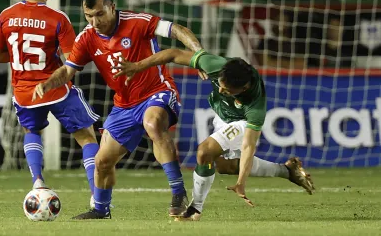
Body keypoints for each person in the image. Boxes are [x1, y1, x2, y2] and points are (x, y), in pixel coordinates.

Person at [32, 0, 207, 219]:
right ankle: (101, 210)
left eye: (100, 14)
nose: (95, 21)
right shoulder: (86, 38)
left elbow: (178, 30)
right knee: (102, 161)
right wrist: (47, 83)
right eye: (89, 16)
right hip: (124, 105)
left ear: (112, 7)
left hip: (157, 91)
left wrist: (200, 55)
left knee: (153, 123)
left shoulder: (138, 21)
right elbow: (67, 71)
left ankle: (178, 192)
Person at [113, 48, 315, 221]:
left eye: (227, 91)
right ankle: (288, 171)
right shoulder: (217, 65)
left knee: (204, 152)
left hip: (242, 121)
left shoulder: (255, 107)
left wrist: (241, 183)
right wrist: (138, 65)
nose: (221, 89)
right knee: (223, 166)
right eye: (220, 84)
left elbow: (248, 146)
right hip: (222, 117)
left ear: (243, 88)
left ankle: (195, 208)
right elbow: (173, 54)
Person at [0, 0, 100, 206]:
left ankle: (38, 181)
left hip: (24, 92)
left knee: (32, 131)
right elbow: (71, 61)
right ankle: (97, 197)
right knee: (87, 138)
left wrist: (19, 58)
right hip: (54, 88)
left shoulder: (6, 15)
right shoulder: (57, 18)